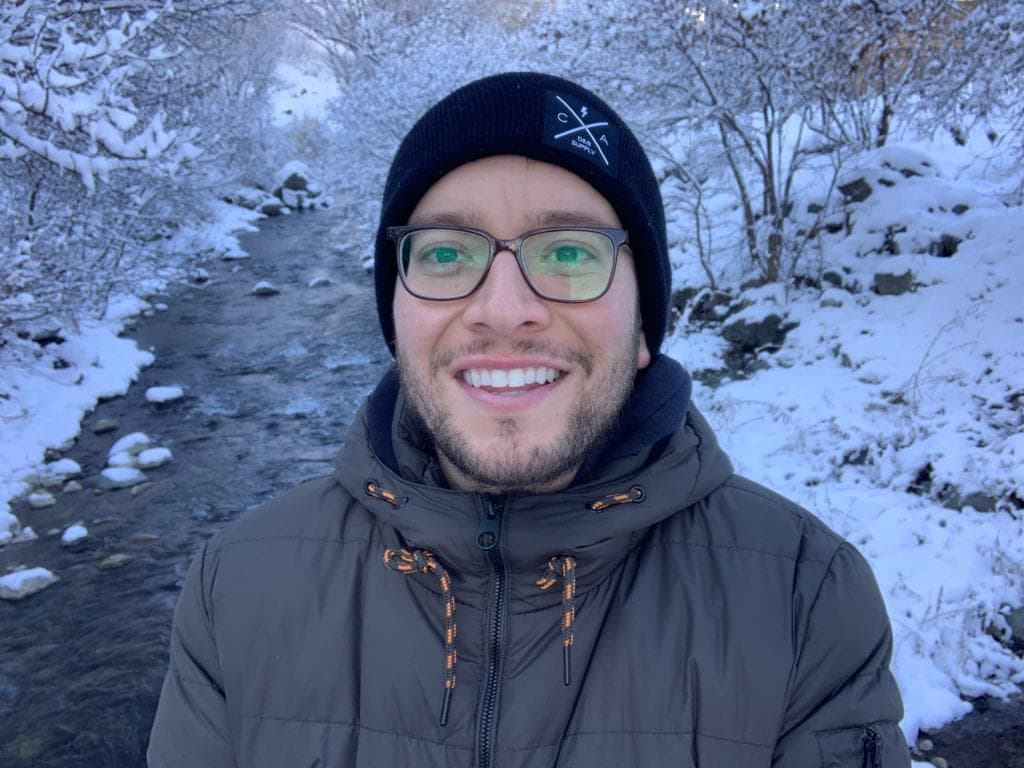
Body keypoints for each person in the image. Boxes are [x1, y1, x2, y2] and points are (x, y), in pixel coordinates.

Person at [148, 72, 910, 767]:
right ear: (395, 314)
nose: (503, 311)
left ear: (643, 324)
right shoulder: (237, 589)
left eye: (570, 253)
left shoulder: (804, 601)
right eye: (446, 254)